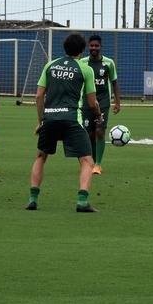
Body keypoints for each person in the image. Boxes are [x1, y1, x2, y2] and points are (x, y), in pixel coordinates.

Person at [26, 33, 103, 212]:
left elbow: (38, 96)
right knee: (87, 160)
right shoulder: (85, 69)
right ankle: (82, 201)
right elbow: (92, 103)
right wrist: (98, 115)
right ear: (82, 50)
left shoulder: (50, 65)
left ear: (64, 48)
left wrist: (41, 121)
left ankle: (33, 199)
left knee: (40, 157)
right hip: (71, 120)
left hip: (50, 119)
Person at [84, 35, 121, 175]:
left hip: (103, 101)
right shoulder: (83, 63)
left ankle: (98, 165)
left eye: (96, 46)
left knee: (100, 131)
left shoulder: (109, 63)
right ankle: (91, 162)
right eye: (91, 45)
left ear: (100, 47)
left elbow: (114, 82)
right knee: (89, 133)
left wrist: (117, 102)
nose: (94, 48)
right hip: (87, 101)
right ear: (88, 46)